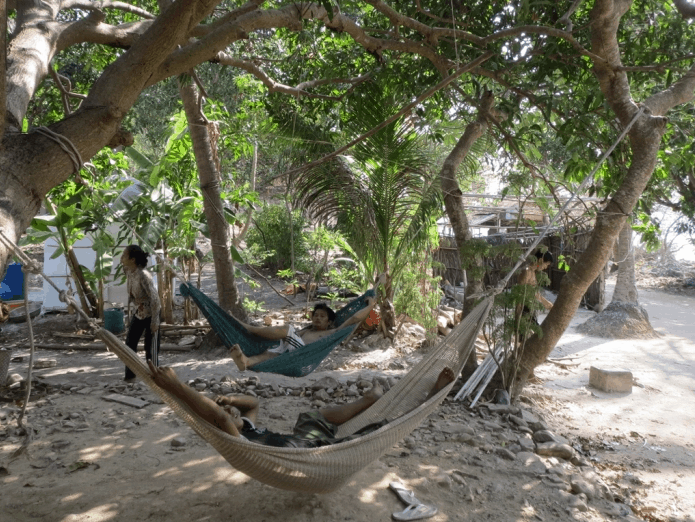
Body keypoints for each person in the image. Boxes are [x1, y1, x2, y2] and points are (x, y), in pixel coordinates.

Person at [147, 360, 455, 446]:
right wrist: (175, 386)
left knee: (310, 413)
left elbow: (250, 403)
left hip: (297, 441)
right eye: (226, 412)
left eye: (227, 410)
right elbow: (222, 420)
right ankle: (425, 403)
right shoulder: (237, 437)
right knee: (370, 434)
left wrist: (229, 399)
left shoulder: (248, 426)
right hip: (295, 454)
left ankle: (367, 400)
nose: (228, 411)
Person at [229, 297, 377, 371]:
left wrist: (371, 306)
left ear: (330, 322)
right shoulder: (307, 330)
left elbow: (354, 318)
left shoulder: (333, 332)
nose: (317, 318)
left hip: (301, 355)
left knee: (288, 329)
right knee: (269, 354)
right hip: (289, 352)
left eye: (322, 316)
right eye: (315, 315)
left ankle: (249, 328)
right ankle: (246, 361)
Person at [121, 245, 161, 383]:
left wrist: (155, 321)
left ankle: (157, 379)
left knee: (151, 349)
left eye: (124, 256)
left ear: (132, 259)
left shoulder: (144, 275)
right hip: (139, 313)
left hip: (151, 313)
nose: (121, 258)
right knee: (130, 344)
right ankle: (130, 376)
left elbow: (155, 299)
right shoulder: (128, 271)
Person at [515, 249, 554, 341]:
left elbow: (534, 292)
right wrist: (518, 315)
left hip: (529, 309)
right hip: (524, 310)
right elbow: (521, 293)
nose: (545, 268)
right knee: (534, 336)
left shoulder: (532, 272)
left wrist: (546, 303)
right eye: (546, 265)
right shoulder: (527, 272)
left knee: (532, 336)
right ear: (540, 260)